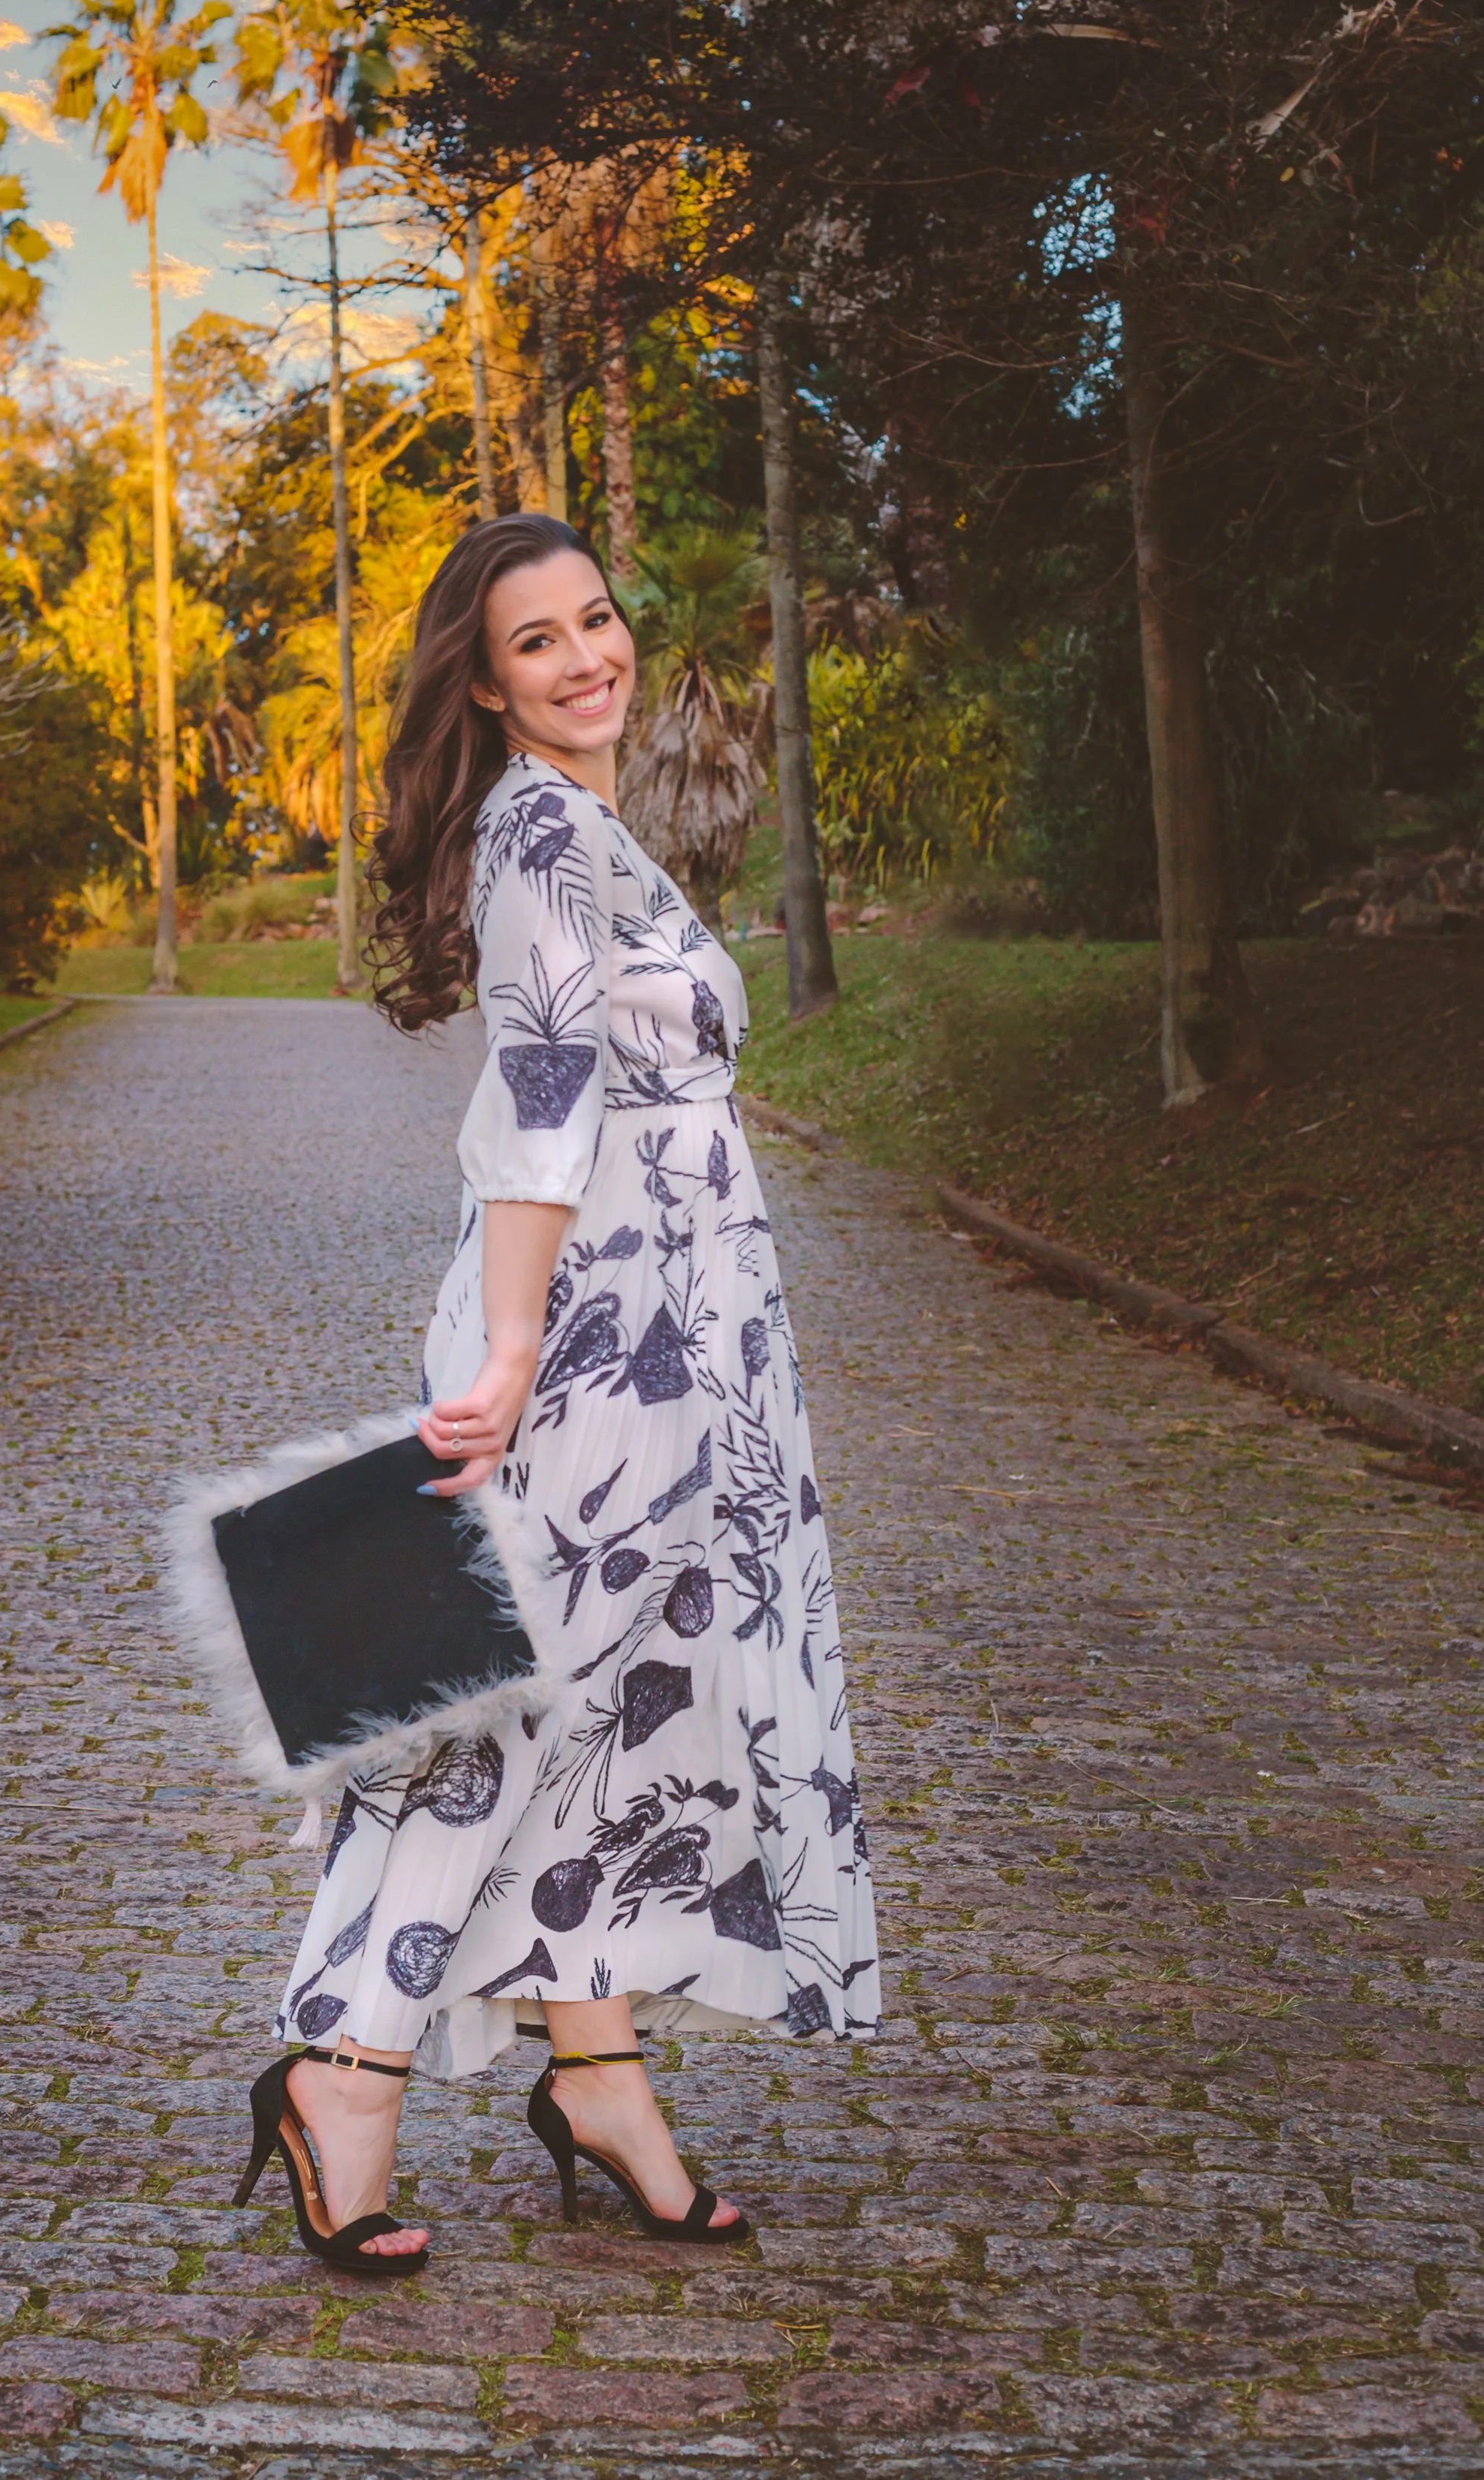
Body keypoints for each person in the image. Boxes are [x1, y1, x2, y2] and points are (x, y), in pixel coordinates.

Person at [234, 513, 880, 2275]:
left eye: (595, 619)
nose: (586, 656)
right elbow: (538, 1101)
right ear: (484, 681)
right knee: (502, 1703)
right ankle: (345, 2070)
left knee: (623, 1703)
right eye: (537, 640)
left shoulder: (586, 825)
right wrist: (513, 1353)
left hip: (677, 1333)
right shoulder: (536, 832)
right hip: (595, 1338)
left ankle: (597, 2079)